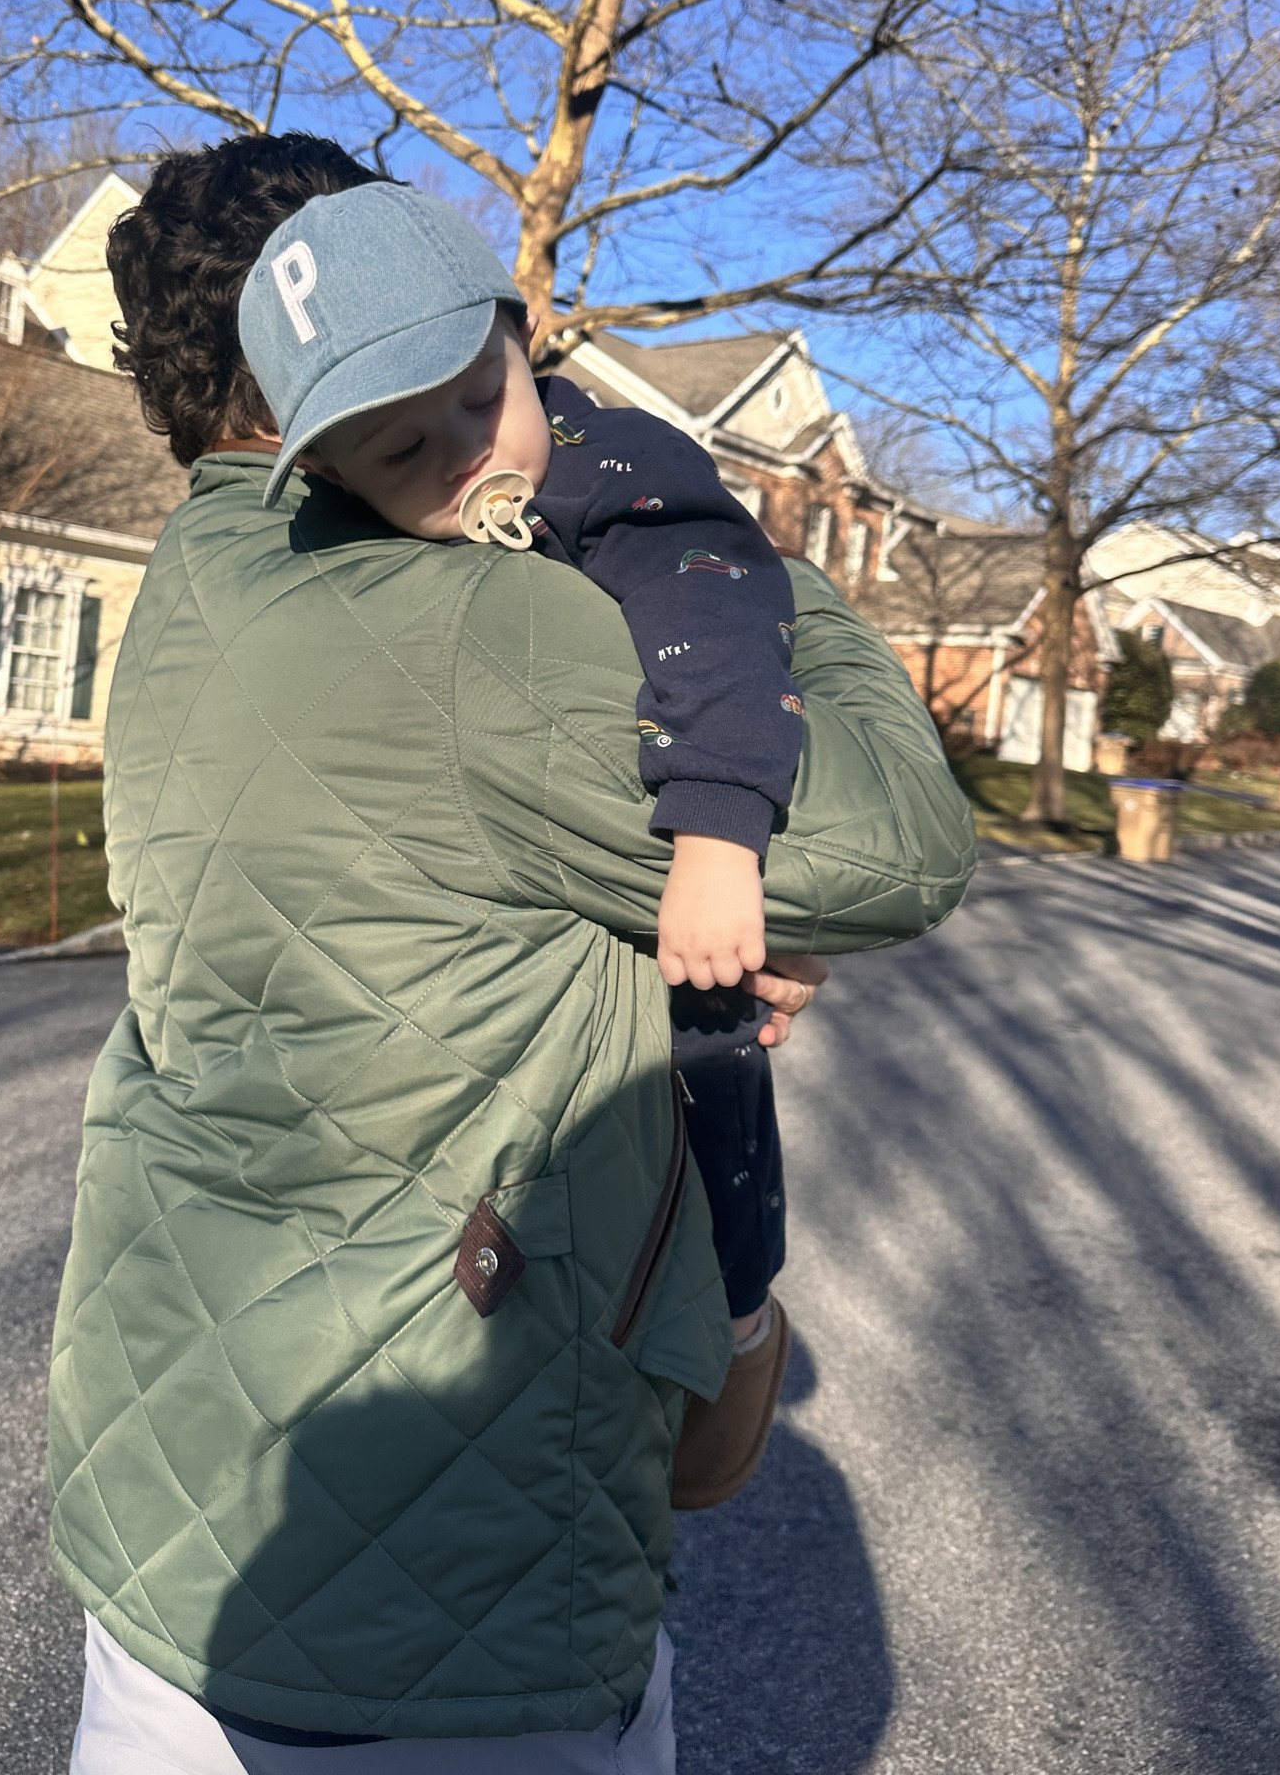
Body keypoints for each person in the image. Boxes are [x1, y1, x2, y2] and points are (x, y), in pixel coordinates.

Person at [50, 134, 976, 1773]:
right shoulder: (482, 631)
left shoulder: (191, 580)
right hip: (449, 1621)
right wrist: (715, 542)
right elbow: (898, 839)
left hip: (170, 1528)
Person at [244, 182, 805, 1356]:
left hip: (675, 890)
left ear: (524, 338)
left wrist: (719, 833)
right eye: (403, 448)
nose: (463, 455)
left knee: (712, 1089)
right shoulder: (370, 564)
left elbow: (726, 623)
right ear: (341, 477)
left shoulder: (614, 467)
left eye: (482, 397)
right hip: (524, 969)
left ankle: (744, 1313)